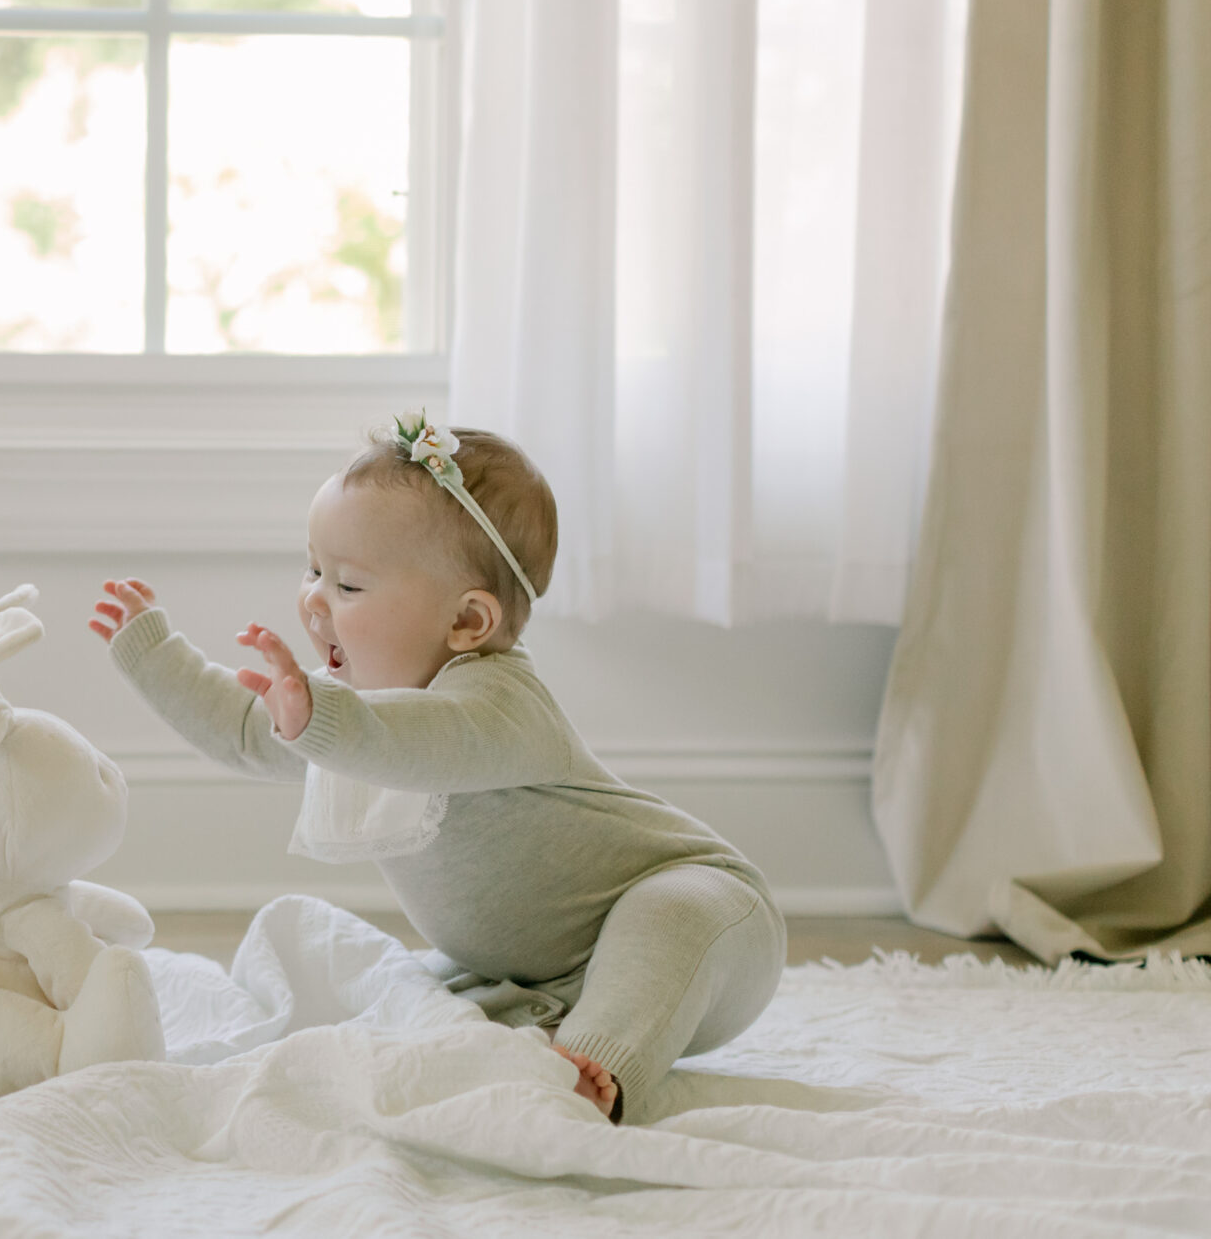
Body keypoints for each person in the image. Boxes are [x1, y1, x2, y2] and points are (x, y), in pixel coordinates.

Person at [87, 416, 782, 1122]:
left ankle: (595, 1070)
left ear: (468, 624)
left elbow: (417, 742)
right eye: (312, 569)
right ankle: (540, 1036)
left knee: (671, 911)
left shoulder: (498, 705)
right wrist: (155, 654)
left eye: (349, 585)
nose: (314, 599)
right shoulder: (358, 715)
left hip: (714, 918)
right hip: (539, 971)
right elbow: (247, 727)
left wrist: (321, 720)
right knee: (417, 994)